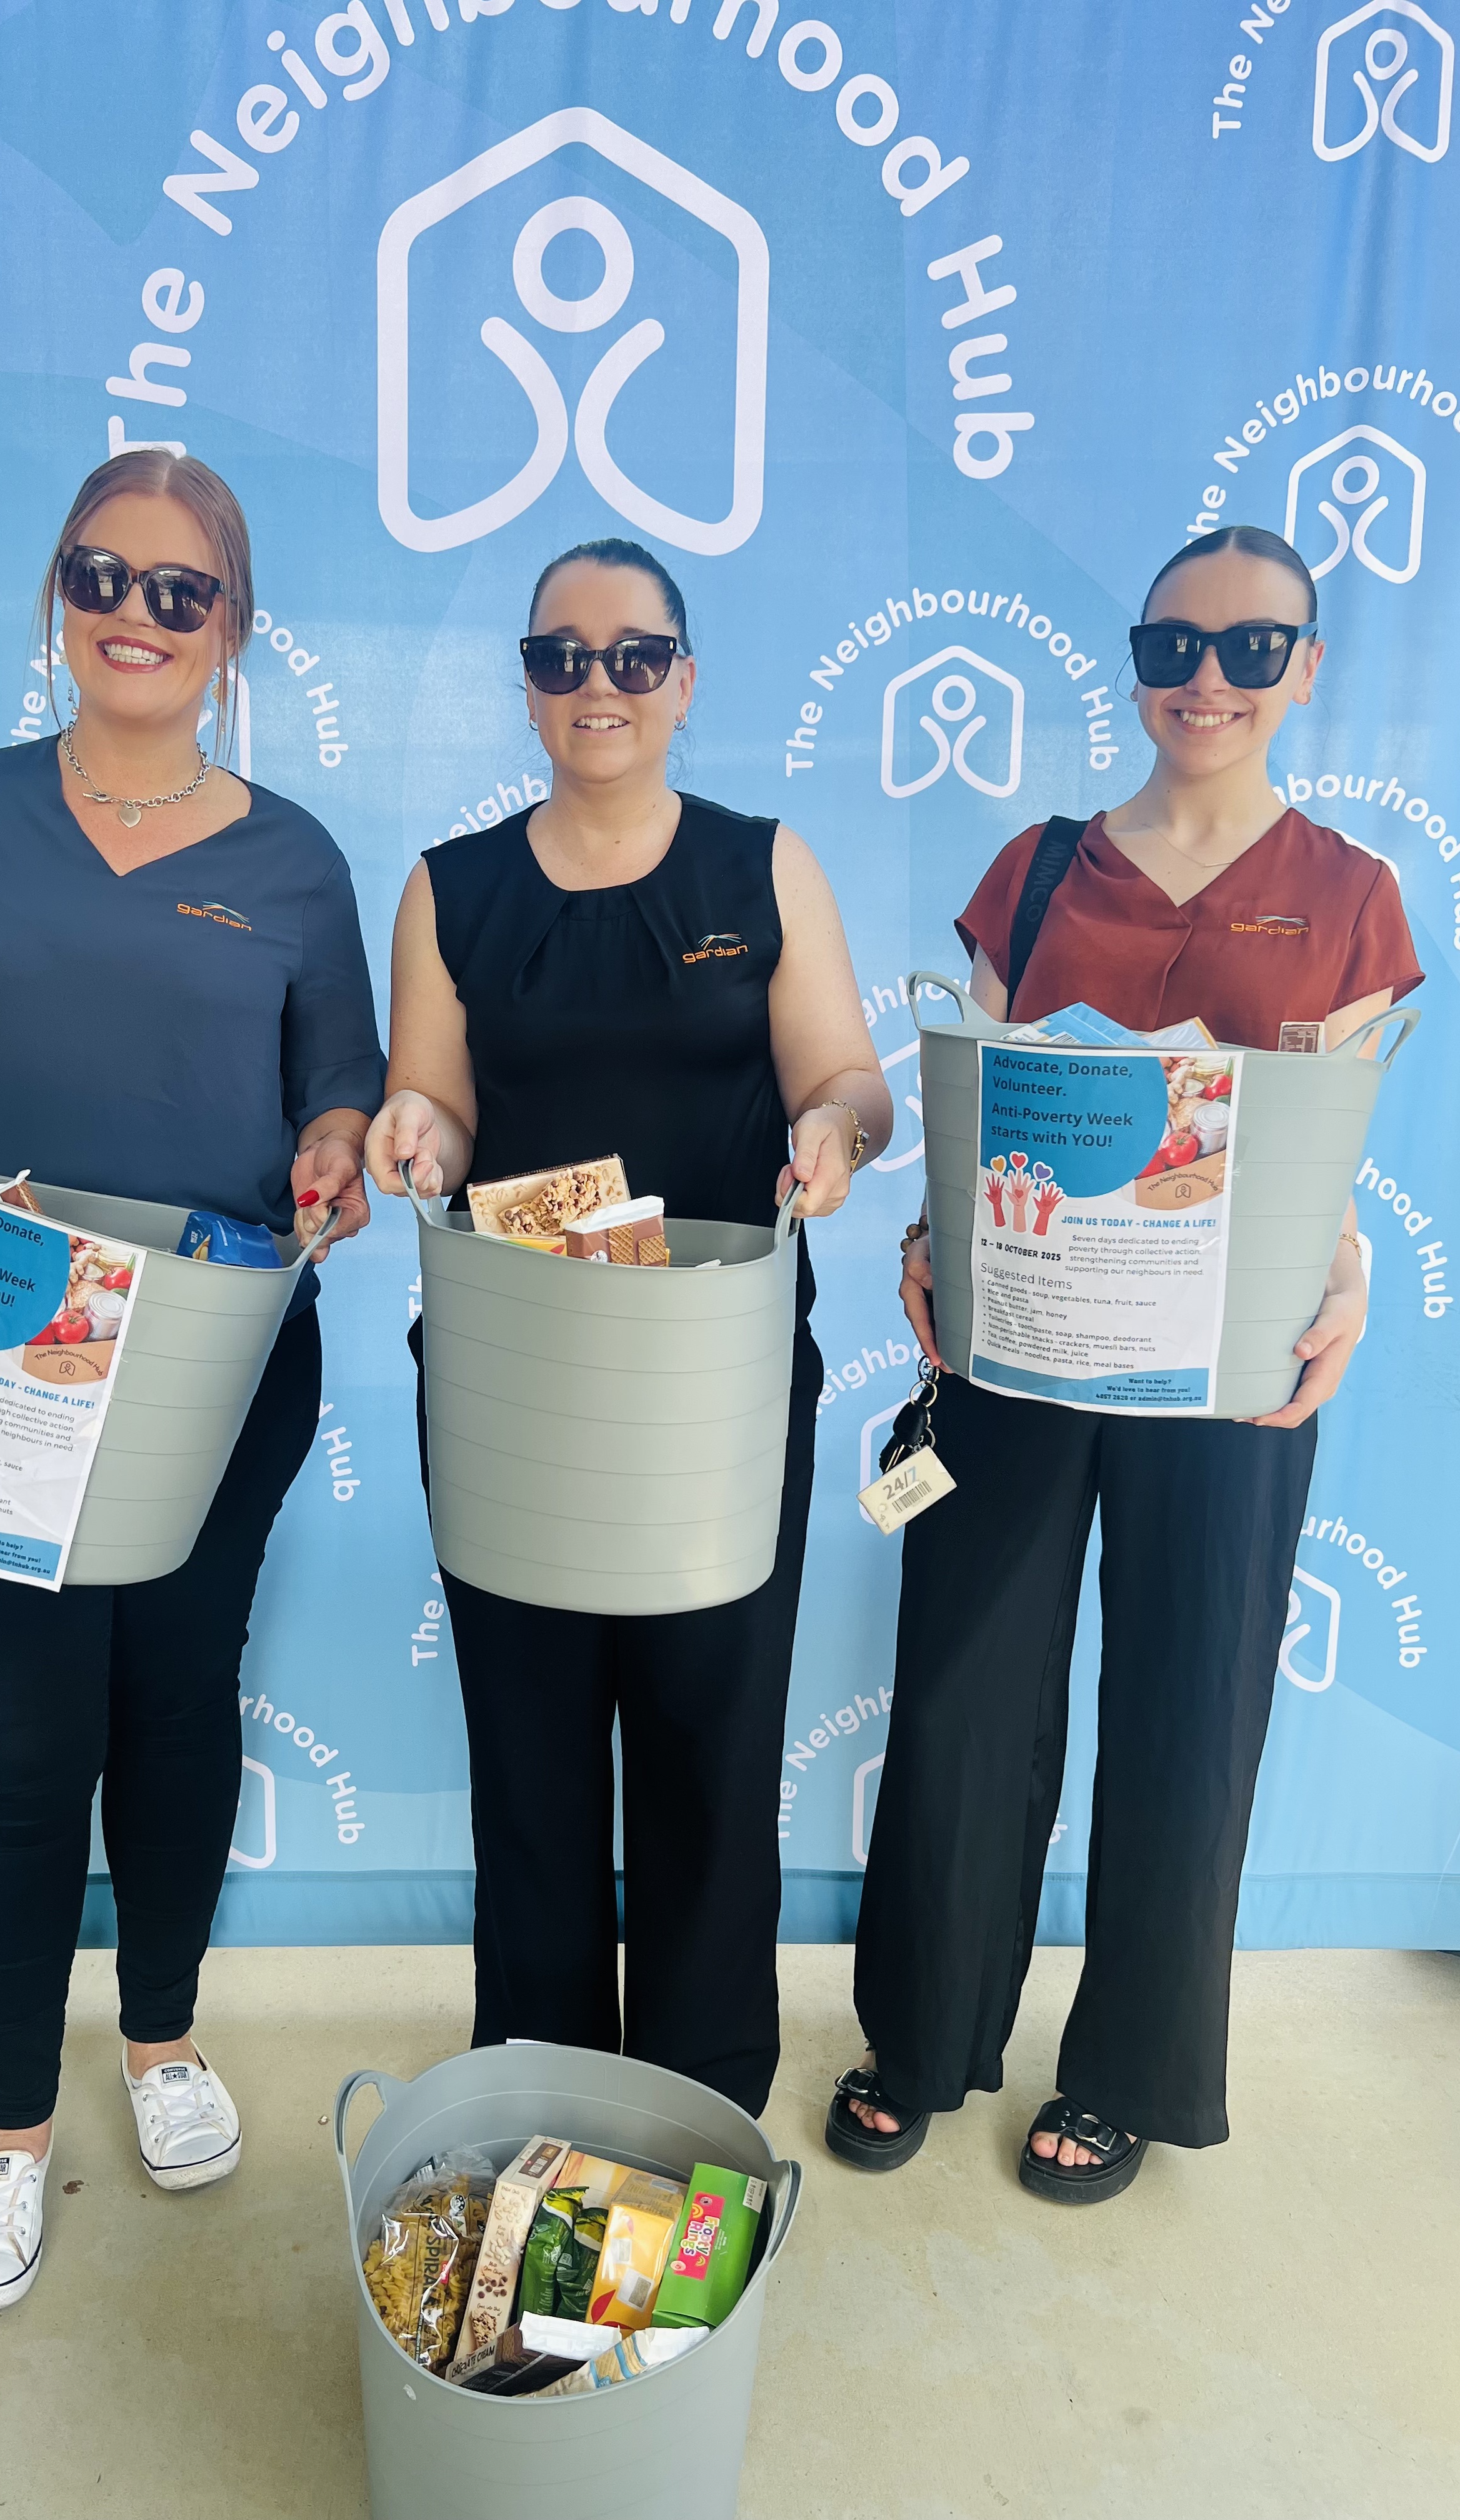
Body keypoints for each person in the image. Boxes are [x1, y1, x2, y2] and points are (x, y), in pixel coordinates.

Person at [0, 451, 385, 2310]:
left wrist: (333, 1153)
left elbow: (340, 1088)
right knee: (17, 1749)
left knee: (176, 1709)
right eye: (97, 576)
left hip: (214, 1363)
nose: (132, 617)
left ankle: (160, 2040)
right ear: (56, 592)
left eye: (177, 592)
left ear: (232, 629)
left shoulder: (293, 855)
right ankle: (2, 2132)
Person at [832, 524, 1422, 2199]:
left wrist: (1355, 1269)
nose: (1209, 682)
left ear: (1305, 669)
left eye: (1252, 650)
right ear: (1138, 663)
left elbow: (1332, 1154)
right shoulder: (1033, 873)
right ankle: (924, 2037)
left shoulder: (1354, 898)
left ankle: (1131, 2077)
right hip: (1023, 1365)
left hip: (1227, 1384)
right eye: (1176, 648)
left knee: (1189, 1715)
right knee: (962, 1706)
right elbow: (976, 1114)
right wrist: (932, 1238)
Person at [364, 536, 892, 2117]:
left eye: (633, 655)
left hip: (713, 1396)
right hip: (514, 1387)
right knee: (526, 1768)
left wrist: (839, 1135)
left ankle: (701, 2106)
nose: (598, 686)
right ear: (526, 684)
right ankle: (536, 2105)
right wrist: (413, 1134)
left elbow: (844, 1076)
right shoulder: (453, 889)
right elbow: (436, 1103)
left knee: (709, 1756)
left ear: (685, 678)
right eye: (561, 657)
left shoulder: (762, 867)